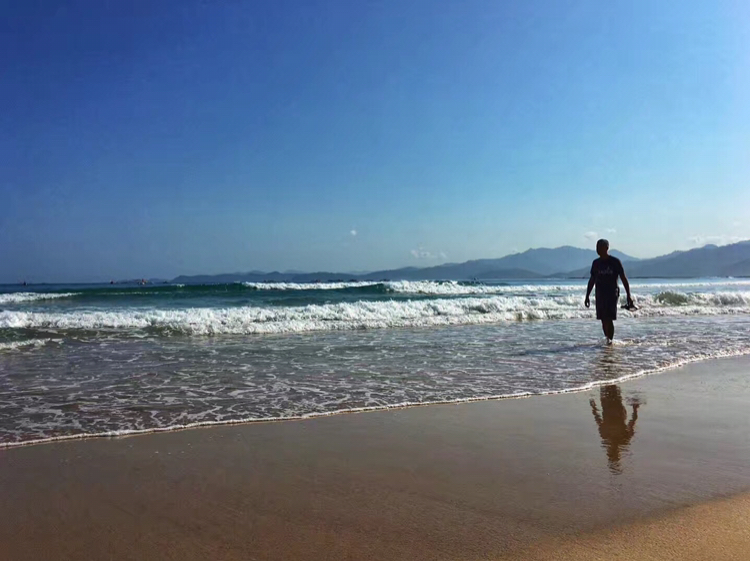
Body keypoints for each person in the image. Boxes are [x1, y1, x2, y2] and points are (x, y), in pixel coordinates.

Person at [584, 239, 633, 344]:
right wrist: (587, 295)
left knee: (608, 318)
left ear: (606, 248)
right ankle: (608, 340)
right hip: (600, 294)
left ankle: (610, 341)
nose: (597, 249)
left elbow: (623, 278)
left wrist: (629, 295)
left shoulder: (615, 262)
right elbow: (592, 280)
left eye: (600, 247)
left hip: (612, 293)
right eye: (597, 247)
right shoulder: (596, 263)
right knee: (603, 319)